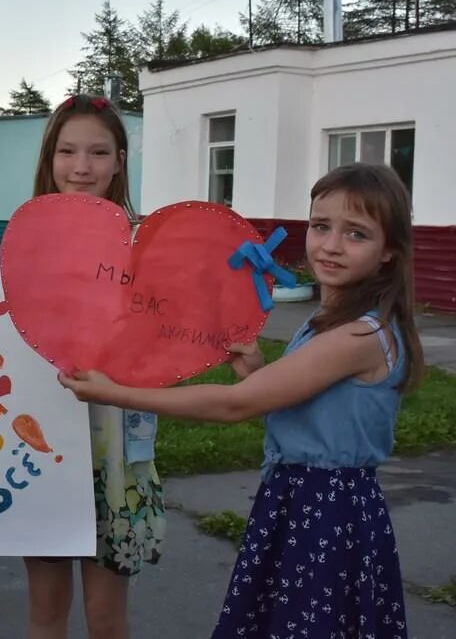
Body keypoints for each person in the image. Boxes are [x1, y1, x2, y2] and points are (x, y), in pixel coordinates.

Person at [60, 163, 422, 639]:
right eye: (320, 226)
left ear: (389, 252)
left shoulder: (359, 335)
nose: (331, 245)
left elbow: (236, 405)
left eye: (356, 233)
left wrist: (113, 392)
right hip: (304, 501)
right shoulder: (332, 320)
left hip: (327, 514)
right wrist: (255, 369)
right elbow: (301, 403)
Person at [25, 95, 166, 639]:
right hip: (39, 443)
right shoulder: (23, 242)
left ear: (120, 161)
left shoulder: (146, 245)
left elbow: (168, 335)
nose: (81, 167)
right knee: (45, 611)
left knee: (106, 618)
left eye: (98, 152)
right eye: (67, 151)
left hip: (115, 447)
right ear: (50, 158)